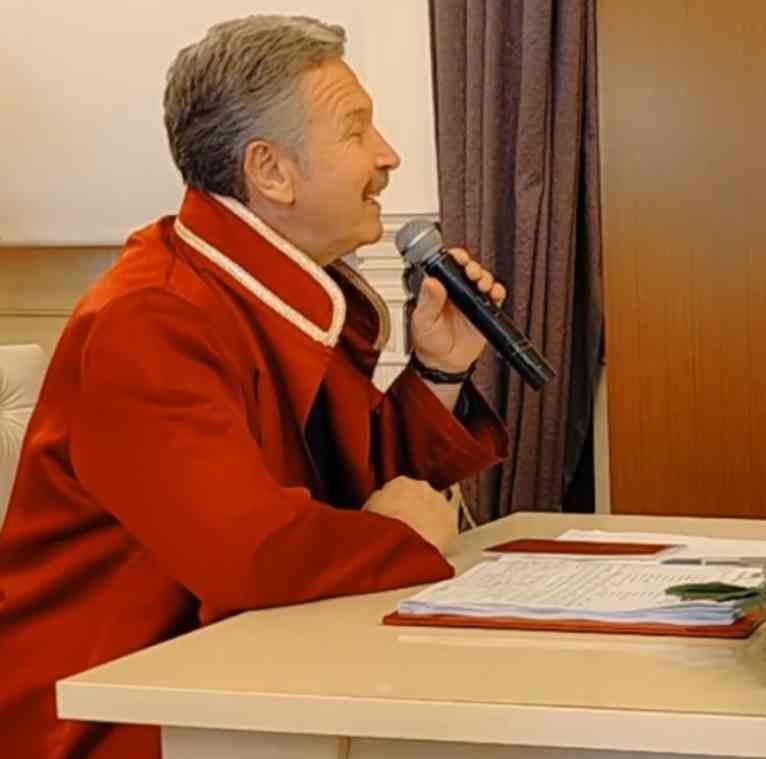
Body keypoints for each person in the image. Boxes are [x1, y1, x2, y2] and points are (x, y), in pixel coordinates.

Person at [0, 16, 511, 756]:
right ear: (271, 171)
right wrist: (403, 535)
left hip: (250, 676)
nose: (387, 155)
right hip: (110, 716)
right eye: (357, 130)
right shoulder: (148, 319)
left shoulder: (266, 291)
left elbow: (353, 485)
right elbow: (250, 553)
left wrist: (439, 370)